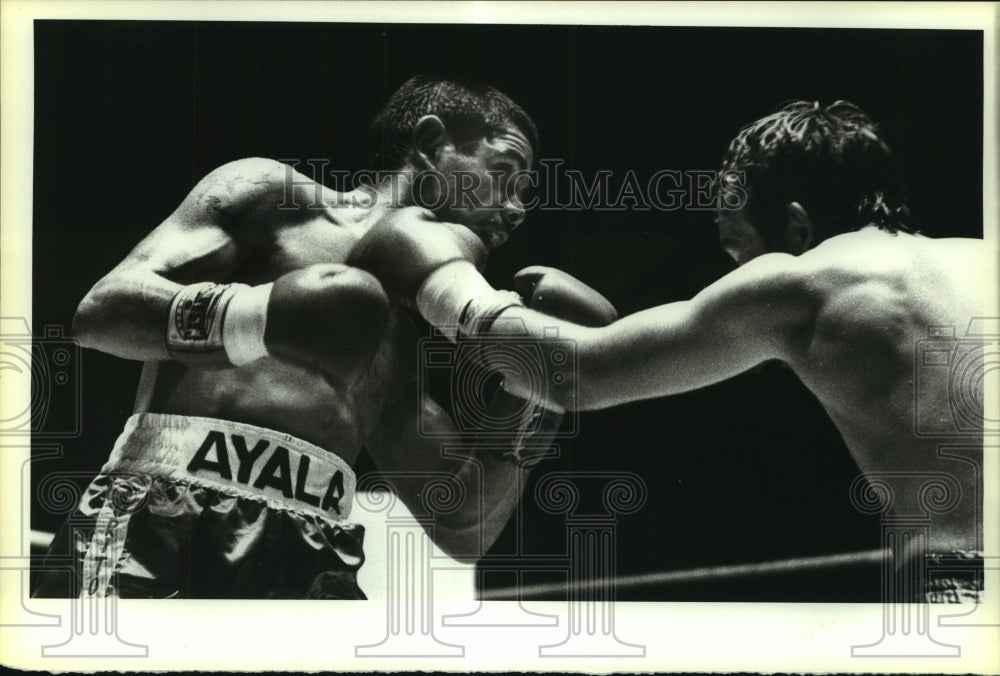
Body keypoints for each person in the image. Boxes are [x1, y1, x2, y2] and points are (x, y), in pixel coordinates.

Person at [352, 100, 985, 603]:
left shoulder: (808, 277)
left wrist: (441, 282)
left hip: (962, 578)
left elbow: (571, 375)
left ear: (795, 226)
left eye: (738, 249)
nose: (734, 271)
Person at [33, 74, 617, 600]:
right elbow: (100, 312)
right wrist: (262, 314)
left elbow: (463, 523)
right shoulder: (275, 199)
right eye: (504, 173)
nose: (515, 210)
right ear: (432, 141)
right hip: (163, 513)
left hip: (314, 552)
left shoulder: (404, 338)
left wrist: (539, 391)